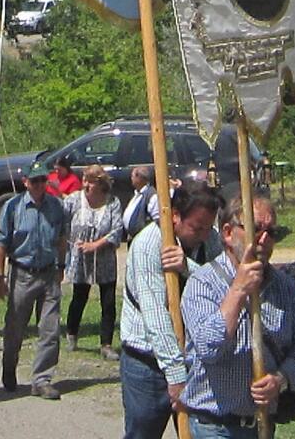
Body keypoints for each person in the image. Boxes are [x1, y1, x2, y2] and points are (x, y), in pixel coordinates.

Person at [180, 192, 295, 438]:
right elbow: (208, 348)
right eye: (256, 229)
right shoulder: (203, 283)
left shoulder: (285, 288)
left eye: (272, 232)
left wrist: (281, 379)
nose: (264, 239)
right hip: (214, 426)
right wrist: (239, 290)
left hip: (261, 425)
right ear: (227, 232)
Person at [120, 180, 223, 439]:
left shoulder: (210, 240)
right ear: (175, 216)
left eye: (208, 228)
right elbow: (156, 318)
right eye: (196, 228)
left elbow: (226, 287)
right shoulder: (148, 245)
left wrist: (187, 267)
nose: (203, 235)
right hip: (148, 361)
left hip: (197, 358)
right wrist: (176, 376)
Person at [0, 159, 68, 398]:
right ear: (25, 182)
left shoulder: (56, 207)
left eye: (43, 181)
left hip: (48, 273)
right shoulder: (13, 207)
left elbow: (61, 239)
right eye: (34, 181)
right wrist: (0, 277)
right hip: (22, 274)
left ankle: (42, 380)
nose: (39, 185)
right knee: (15, 329)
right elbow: (2, 244)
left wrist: (61, 265)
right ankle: (9, 367)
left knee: (50, 330)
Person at [63, 164, 124, 358]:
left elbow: (117, 230)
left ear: (100, 184)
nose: (86, 185)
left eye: (90, 181)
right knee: (79, 297)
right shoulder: (74, 200)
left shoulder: (112, 202)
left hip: (104, 258)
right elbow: (62, 224)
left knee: (108, 302)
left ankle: (106, 344)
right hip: (81, 259)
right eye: (84, 181)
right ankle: (71, 334)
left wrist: (96, 245)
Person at [123, 165, 161, 247]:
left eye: (133, 176)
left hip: (145, 242)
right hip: (134, 240)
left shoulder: (152, 195)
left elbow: (157, 220)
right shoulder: (137, 194)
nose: (131, 179)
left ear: (140, 178)